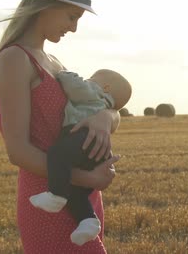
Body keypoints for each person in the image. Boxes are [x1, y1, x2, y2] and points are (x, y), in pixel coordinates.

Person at [0, 0, 121, 253]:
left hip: (82, 199)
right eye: (72, 16)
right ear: (44, 6)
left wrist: (104, 118)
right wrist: (87, 178)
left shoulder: (56, 63)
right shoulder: (15, 60)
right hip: (48, 198)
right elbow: (18, 151)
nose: (74, 27)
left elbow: (99, 107)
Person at [30, 69, 132, 246]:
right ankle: (88, 221)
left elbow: (75, 87)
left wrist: (64, 74)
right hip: (96, 150)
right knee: (76, 193)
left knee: (56, 153)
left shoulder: (94, 94)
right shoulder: (105, 105)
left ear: (105, 87)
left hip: (81, 137)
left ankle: (56, 194)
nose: (87, 81)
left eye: (91, 79)